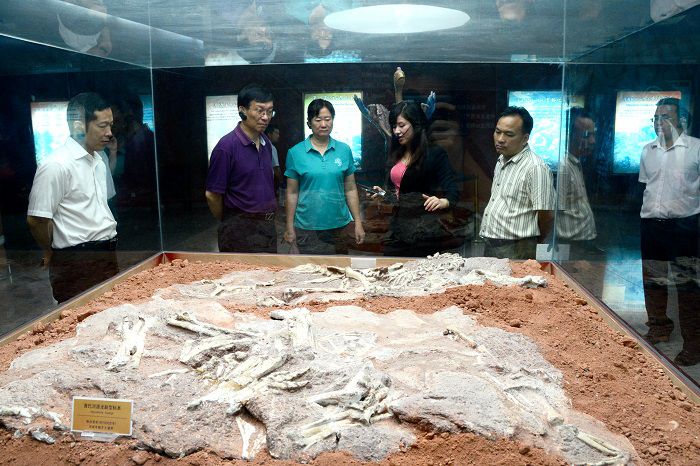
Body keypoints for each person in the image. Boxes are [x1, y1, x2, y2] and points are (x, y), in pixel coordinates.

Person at [26, 92, 118, 303]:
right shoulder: (56, 165)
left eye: (110, 125)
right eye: (102, 126)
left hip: (106, 253)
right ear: (78, 126)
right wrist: (49, 250)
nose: (109, 133)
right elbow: (37, 219)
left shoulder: (99, 159)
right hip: (76, 260)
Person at [638, 97, 700, 366]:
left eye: (665, 117)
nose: (658, 122)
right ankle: (659, 328)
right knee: (653, 280)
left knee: (688, 287)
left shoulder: (696, 149)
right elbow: (647, 185)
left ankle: (694, 345)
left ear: (681, 120)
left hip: (685, 227)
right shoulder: (647, 150)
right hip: (652, 225)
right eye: (655, 117)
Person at [377, 100, 459, 257]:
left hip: (424, 230)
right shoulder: (396, 153)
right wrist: (383, 194)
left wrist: (442, 201)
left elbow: (453, 191)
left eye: (401, 125)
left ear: (416, 125)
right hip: (398, 227)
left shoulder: (435, 154)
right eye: (394, 126)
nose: (396, 131)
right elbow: (398, 194)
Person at [284, 99, 365, 254]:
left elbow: (350, 189)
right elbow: (292, 193)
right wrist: (289, 226)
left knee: (340, 267)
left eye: (327, 119)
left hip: (340, 225)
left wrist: (358, 223)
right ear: (309, 122)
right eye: (318, 120)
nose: (323, 124)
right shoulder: (295, 153)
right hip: (307, 226)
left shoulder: (344, 150)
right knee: (310, 267)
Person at [205, 84, 277, 253]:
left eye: (269, 111)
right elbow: (212, 195)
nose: (265, 117)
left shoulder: (266, 143)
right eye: (259, 110)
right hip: (239, 229)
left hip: (267, 226)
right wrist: (231, 221)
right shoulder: (226, 147)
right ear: (242, 110)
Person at [479, 106, 555, 259]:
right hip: (492, 243)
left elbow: (547, 215)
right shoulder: (502, 159)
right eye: (497, 132)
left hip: (518, 248)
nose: (500, 139)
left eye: (509, 134)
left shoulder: (536, 168)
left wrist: (531, 242)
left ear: (525, 138)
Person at [556, 107, 599, 259]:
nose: (593, 141)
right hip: (569, 245)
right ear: (569, 135)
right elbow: (552, 212)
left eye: (593, 135)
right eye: (587, 135)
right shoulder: (563, 166)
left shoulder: (575, 161)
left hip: (579, 242)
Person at [264, 123, 283, 189]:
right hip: (270, 183)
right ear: (269, 134)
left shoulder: (262, 145)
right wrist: (281, 181)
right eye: (276, 133)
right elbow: (276, 169)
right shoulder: (271, 147)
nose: (278, 136)